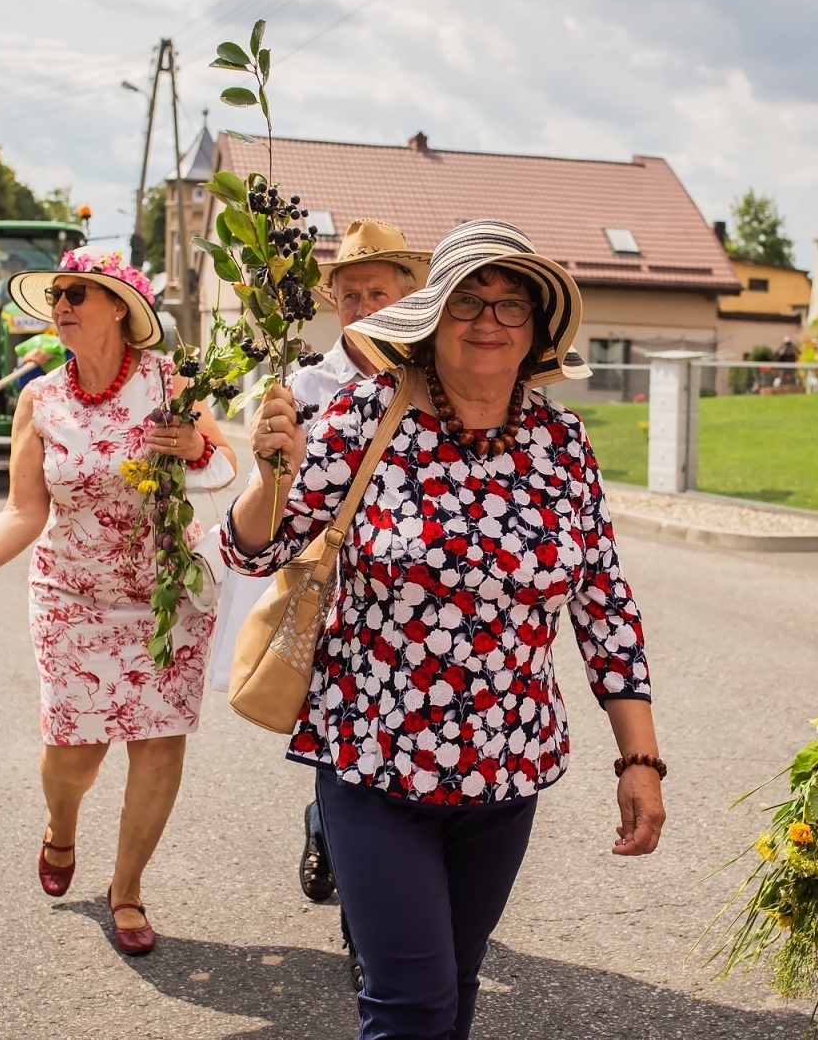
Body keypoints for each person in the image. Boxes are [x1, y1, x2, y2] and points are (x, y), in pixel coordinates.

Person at [225, 219, 662, 1040]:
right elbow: (257, 549)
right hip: (375, 760)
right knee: (411, 1005)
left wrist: (639, 760)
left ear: (535, 328)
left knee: (454, 988)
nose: (489, 320)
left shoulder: (563, 445)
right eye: (468, 300)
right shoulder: (366, 417)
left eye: (511, 304)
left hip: (508, 767)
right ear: (432, 317)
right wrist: (270, 477)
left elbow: (604, 602)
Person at [0, 247, 236, 958]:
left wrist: (192, 445)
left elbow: (223, 467)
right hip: (73, 597)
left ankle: (127, 890)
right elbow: (23, 511)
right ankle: (61, 828)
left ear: (118, 307)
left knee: (158, 749)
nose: (61, 304)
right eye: (57, 294)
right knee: (74, 756)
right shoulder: (41, 399)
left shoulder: (172, 381)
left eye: (77, 293)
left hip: (165, 600)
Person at [207, 219, 429, 988]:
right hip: (324, 591)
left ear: (410, 296)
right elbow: (267, 514)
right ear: (334, 303)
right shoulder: (302, 389)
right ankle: (365, 920)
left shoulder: (433, 380)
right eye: (351, 295)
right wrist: (278, 466)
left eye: (379, 293)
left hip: (403, 605)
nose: (364, 308)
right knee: (343, 741)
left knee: (377, 746)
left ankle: (344, 852)